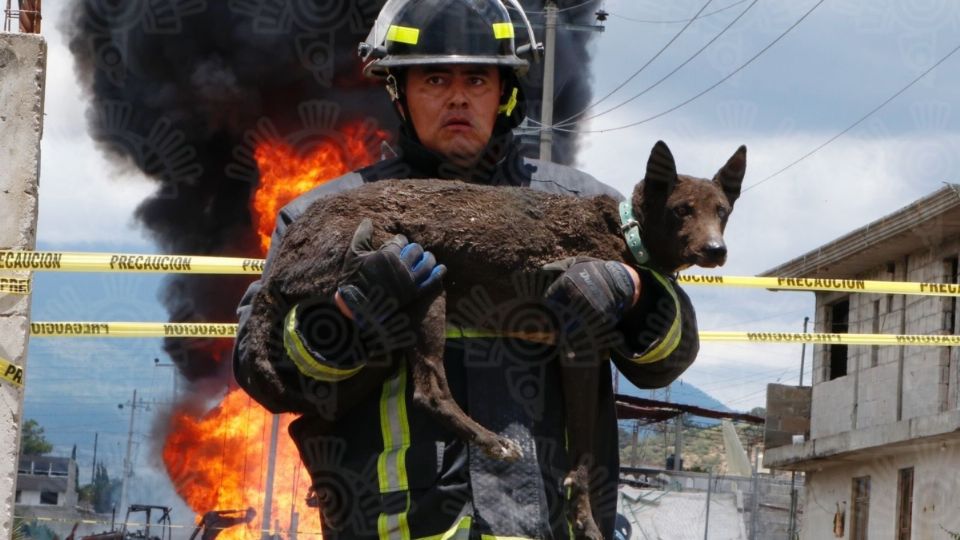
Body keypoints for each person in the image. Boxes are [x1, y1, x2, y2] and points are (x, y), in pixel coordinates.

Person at [233, 0, 699, 538]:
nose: (458, 96)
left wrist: (634, 293)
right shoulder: (333, 217)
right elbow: (262, 368)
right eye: (434, 78)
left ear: (505, 91)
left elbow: (668, 358)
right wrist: (344, 323)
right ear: (399, 92)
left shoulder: (586, 209)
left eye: (477, 78)